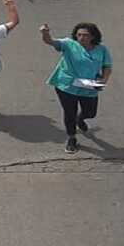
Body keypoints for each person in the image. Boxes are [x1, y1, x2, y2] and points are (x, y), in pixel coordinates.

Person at [40, 21, 112, 154]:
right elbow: (50, 41)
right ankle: (71, 138)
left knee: (90, 112)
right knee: (69, 113)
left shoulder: (102, 49)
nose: (81, 38)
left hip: (89, 86)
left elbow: (107, 66)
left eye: (85, 35)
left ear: (93, 37)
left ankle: (81, 119)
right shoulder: (68, 44)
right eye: (79, 35)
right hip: (67, 85)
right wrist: (45, 33)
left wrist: (103, 80)